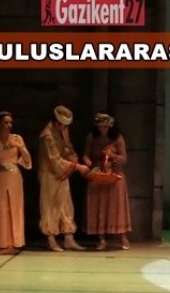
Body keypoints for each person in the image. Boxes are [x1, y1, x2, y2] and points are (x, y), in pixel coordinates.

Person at [38, 106, 90, 252]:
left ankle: (68, 239)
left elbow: (68, 147)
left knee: (66, 204)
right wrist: (77, 167)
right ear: (57, 123)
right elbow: (55, 161)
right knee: (50, 206)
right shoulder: (47, 136)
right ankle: (51, 239)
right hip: (49, 173)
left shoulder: (63, 131)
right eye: (64, 125)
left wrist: (74, 160)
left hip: (62, 173)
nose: (66, 129)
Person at [83, 112, 132, 251]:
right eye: (99, 127)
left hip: (114, 175)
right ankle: (101, 239)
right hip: (98, 174)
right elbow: (86, 154)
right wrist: (87, 161)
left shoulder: (117, 138)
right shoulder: (92, 137)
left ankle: (123, 237)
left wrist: (113, 156)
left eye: (104, 127)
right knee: (99, 206)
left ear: (110, 126)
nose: (102, 129)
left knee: (117, 207)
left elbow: (124, 158)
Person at [0, 111, 32, 255]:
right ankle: (2, 242)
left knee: (14, 208)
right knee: (0, 209)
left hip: (14, 177)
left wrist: (20, 147)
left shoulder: (17, 138)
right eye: (6, 122)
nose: (9, 125)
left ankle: (13, 243)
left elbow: (27, 160)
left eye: (10, 122)